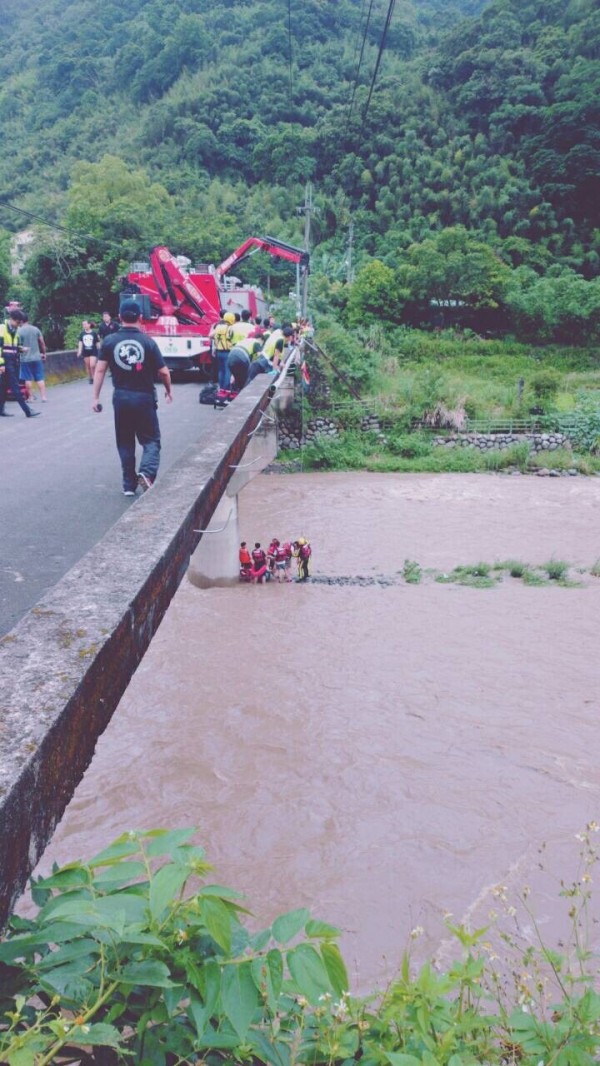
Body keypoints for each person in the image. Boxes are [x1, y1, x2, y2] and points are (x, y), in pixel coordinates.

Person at [92, 299, 173, 496]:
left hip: (120, 398)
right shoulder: (148, 342)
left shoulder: (110, 341)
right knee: (151, 440)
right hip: (144, 397)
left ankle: (128, 485)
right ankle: (146, 472)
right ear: (140, 317)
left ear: (119, 317)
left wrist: (95, 397)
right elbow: (164, 372)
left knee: (125, 441)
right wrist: (168, 390)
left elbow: (100, 370)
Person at [0, 308, 40, 418]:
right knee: (15, 386)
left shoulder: (15, 331)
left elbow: (14, 347)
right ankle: (27, 411)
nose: (18, 325)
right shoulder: (2, 329)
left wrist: (21, 349)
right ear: (12, 319)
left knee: (3, 386)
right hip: (5, 361)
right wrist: (1, 364)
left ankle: (1, 409)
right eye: (17, 322)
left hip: (14, 360)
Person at [18, 313, 47, 402]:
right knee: (40, 378)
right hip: (37, 357)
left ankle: (30, 397)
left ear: (21, 321)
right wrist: (44, 353)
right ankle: (43, 397)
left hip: (25, 359)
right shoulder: (35, 329)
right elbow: (42, 342)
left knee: (27, 378)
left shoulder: (19, 331)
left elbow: (18, 345)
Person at [210, 311, 235, 392]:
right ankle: (226, 389)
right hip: (227, 352)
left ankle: (221, 388)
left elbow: (210, 336)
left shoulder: (218, 327)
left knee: (221, 370)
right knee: (228, 370)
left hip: (218, 351)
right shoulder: (230, 328)